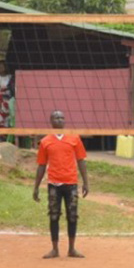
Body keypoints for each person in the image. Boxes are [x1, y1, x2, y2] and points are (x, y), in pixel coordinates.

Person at [33, 111, 90, 259]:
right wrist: (36, 187)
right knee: (53, 215)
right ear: (51, 121)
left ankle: (71, 248)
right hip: (54, 184)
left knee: (72, 216)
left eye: (62, 117)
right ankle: (55, 249)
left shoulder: (74, 138)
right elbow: (41, 165)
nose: (60, 120)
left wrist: (86, 182)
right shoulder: (45, 141)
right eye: (56, 117)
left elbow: (81, 161)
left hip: (71, 183)